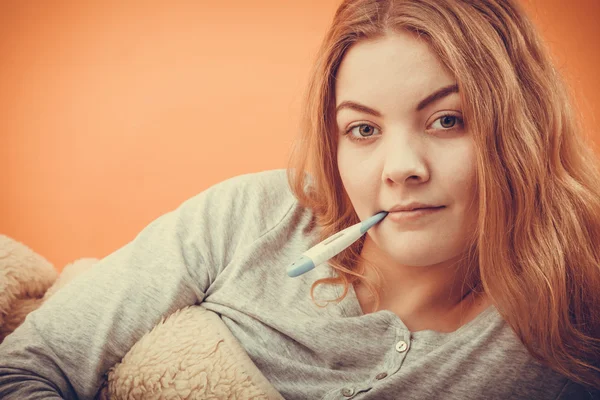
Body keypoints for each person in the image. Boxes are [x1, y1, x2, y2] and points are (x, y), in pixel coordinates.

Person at [1, 0, 599, 398]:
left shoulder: (576, 316)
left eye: (447, 120)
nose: (402, 170)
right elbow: (24, 369)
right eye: (363, 130)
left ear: (521, 127)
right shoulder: (247, 220)